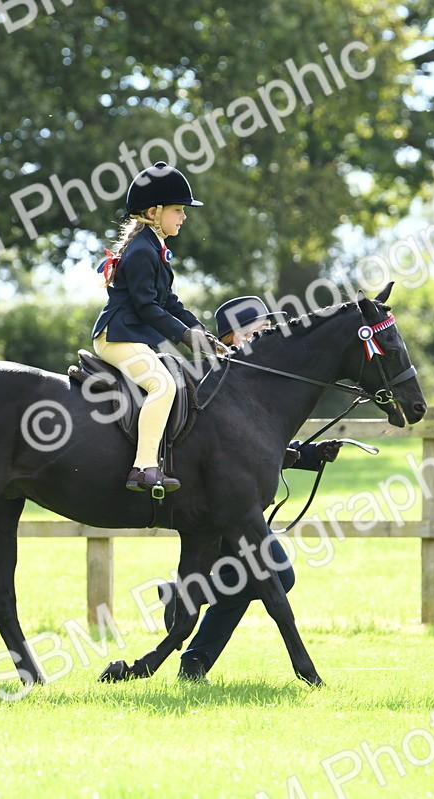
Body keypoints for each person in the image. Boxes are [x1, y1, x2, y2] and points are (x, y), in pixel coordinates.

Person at [161, 296, 344, 682]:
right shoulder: (217, 378)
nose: (267, 334)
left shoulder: (253, 379)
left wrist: (309, 454)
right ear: (232, 336)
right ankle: (188, 608)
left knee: (263, 580)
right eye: (258, 329)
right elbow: (230, 449)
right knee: (278, 577)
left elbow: (254, 448)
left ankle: (194, 654)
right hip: (219, 505)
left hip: (235, 503)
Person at [91, 162, 225, 493]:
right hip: (117, 337)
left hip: (131, 336)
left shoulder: (153, 246)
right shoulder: (141, 250)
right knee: (162, 385)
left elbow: (169, 301)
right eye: (178, 210)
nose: (184, 216)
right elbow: (146, 307)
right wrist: (183, 336)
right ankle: (144, 468)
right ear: (154, 211)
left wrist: (199, 331)